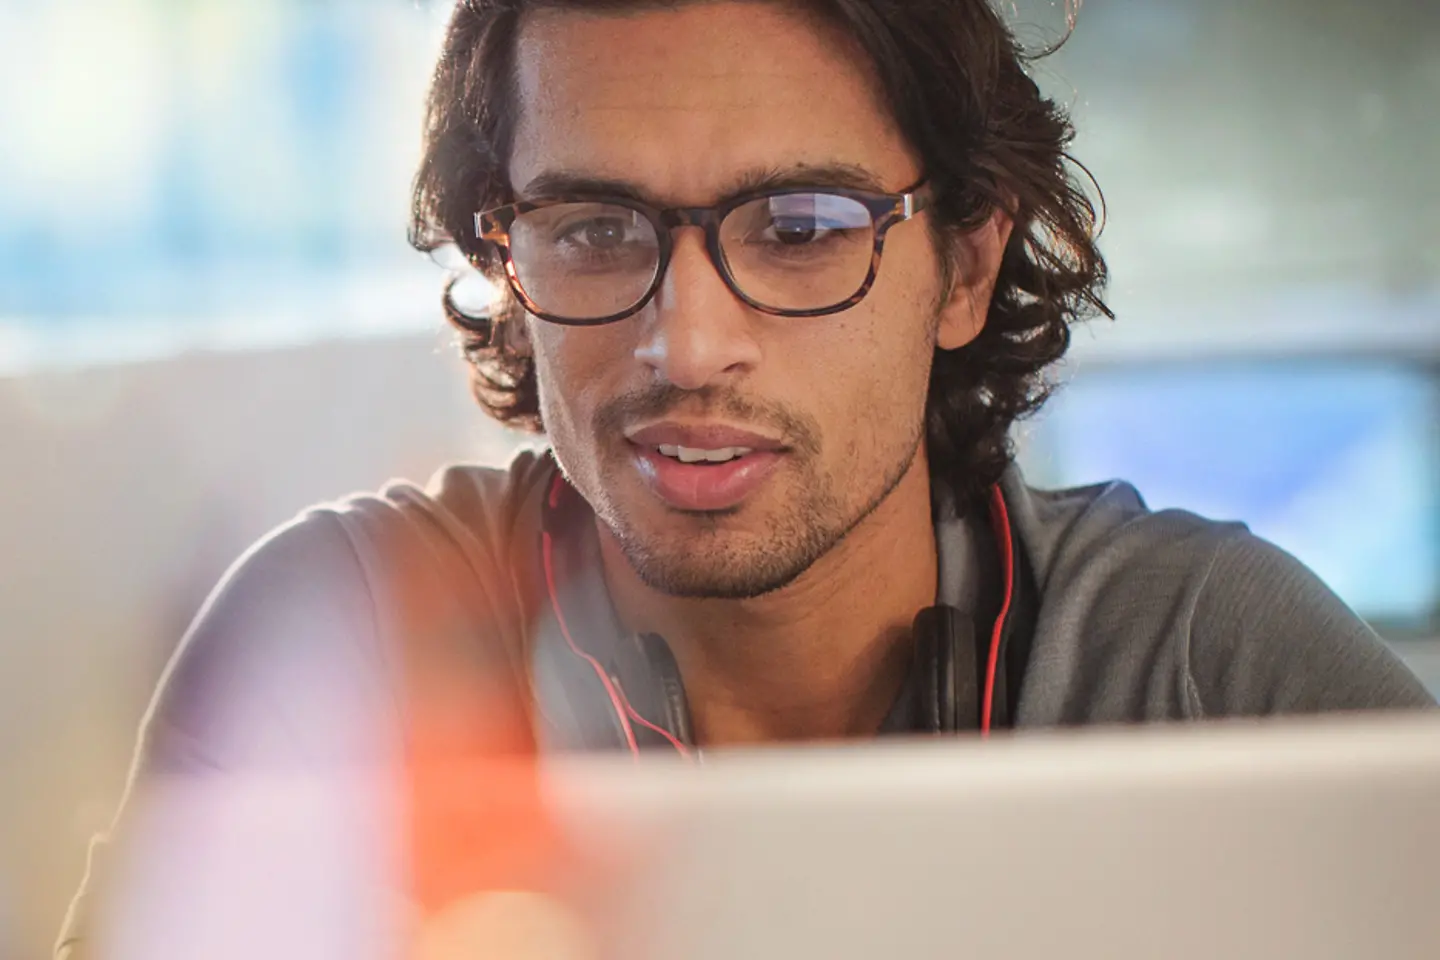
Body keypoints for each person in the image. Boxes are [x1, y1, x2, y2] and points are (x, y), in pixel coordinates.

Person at [56, 0, 1434, 956]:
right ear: (505, 265)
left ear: (963, 264)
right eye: (593, 228)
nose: (687, 343)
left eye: (799, 226)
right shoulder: (345, 638)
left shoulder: (1207, 659)